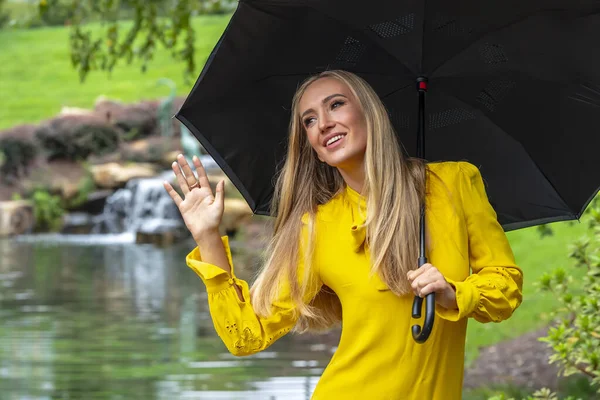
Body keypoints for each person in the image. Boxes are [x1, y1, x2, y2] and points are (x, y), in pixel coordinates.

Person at [163, 70, 523, 399]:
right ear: (314, 150)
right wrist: (208, 236)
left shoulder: (453, 184)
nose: (323, 123)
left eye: (336, 104)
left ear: (370, 114)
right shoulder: (315, 228)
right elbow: (245, 334)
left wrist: (453, 294)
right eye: (309, 120)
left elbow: (505, 287)